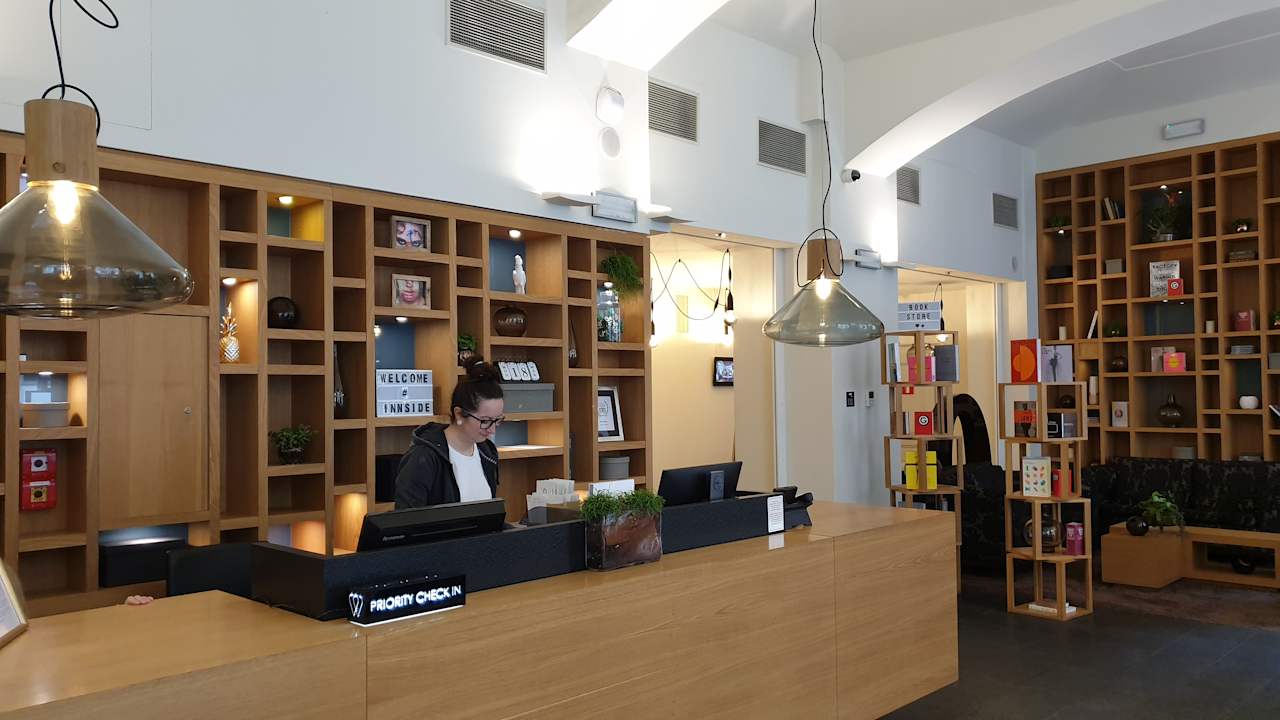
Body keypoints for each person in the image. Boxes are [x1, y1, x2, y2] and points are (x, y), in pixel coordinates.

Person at [395, 357, 503, 508]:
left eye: (497, 420)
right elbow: (407, 518)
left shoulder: (487, 452)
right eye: (485, 421)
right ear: (459, 414)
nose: (492, 430)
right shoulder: (423, 457)